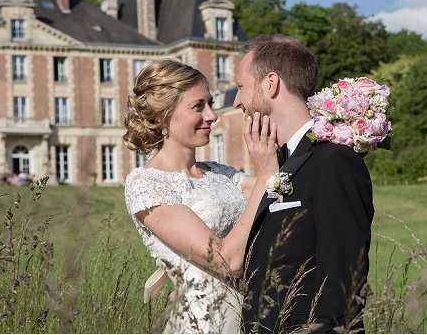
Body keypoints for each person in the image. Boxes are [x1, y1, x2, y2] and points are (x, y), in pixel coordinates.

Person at [123, 59, 278, 333]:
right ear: (162, 117)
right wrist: (265, 174)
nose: (212, 115)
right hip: (205, 324)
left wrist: (336, 131)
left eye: (210, 103)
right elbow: (225, 261)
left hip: (254, 316)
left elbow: (282, 187)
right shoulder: (146, 185)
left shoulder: (220, 173)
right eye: (198, 106)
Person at [234, 36, 374, 333]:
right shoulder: (279, 162)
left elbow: (342, 278)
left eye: (240, 87)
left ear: (270, 84)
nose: (236, 102)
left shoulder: (334, 160)